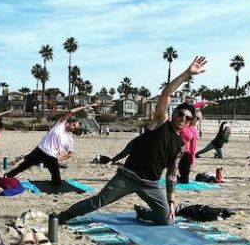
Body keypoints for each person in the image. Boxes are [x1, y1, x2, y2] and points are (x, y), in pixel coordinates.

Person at [56, 56, 207, 225]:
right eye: (180, 114)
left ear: (190, 123)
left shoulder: (180, 145)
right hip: (127, 177)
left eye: (187, 118)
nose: (182, 119)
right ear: (173, 113)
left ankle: (143, 213)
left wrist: (171, 202)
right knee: (98, 201)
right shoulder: (160, 121)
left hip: (151, 184)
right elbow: (166, 93)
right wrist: (187, 73)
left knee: (167, 220)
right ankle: (62, 217)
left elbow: (172, 173)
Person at [3, 103, 97, 184]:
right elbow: (71, 111)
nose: (73, 126)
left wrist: (63, 157)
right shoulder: (60, 124)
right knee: (22, 167)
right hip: (40, 151)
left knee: (57, 181)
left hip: (52, 157)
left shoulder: (69, 139)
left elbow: (70, 153)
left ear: (74, 130)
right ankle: (7, 176)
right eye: (73, 123)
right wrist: (89, 105)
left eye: (75, 127)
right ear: (70, 122)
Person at [177, 103, 198, 184]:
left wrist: (192, 159)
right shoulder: (181, 125)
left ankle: (180, 178)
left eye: (196, 118)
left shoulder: (193, 131)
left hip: (186, 154)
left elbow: (193, 147)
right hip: (176, 152)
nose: (195, 120)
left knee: (185, 179)